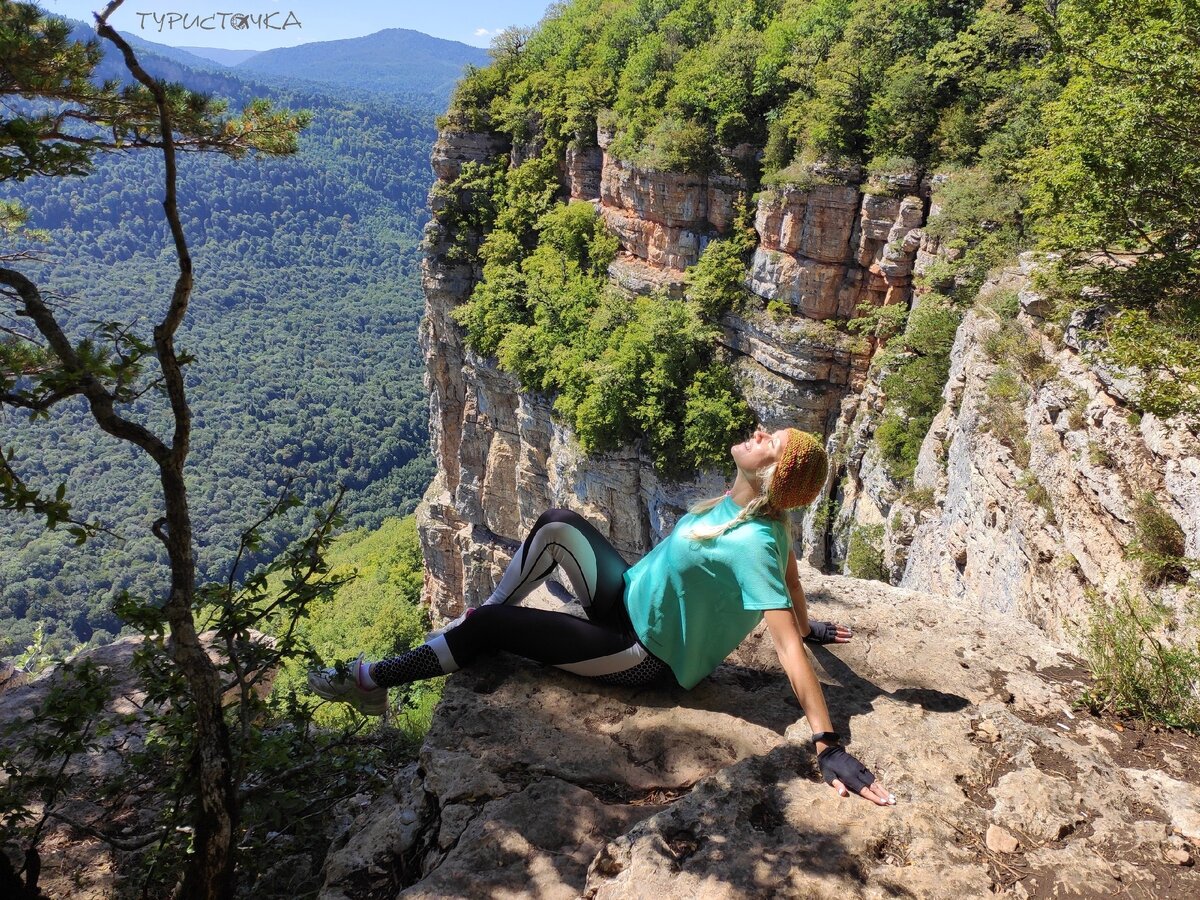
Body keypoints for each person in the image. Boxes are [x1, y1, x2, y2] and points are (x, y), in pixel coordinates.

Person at [309, 426, 895, 806]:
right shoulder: (742, 510)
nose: (760, 432)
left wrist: (827, 741)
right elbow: (793, 575)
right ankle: (483, 614)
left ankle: (370, 680)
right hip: (626, 599)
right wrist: (811, 621)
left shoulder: (754, 542)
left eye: (773, 442)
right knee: (558, 521)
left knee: (487, 635)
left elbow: (784, 637)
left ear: (773, 475)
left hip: (640, 653)